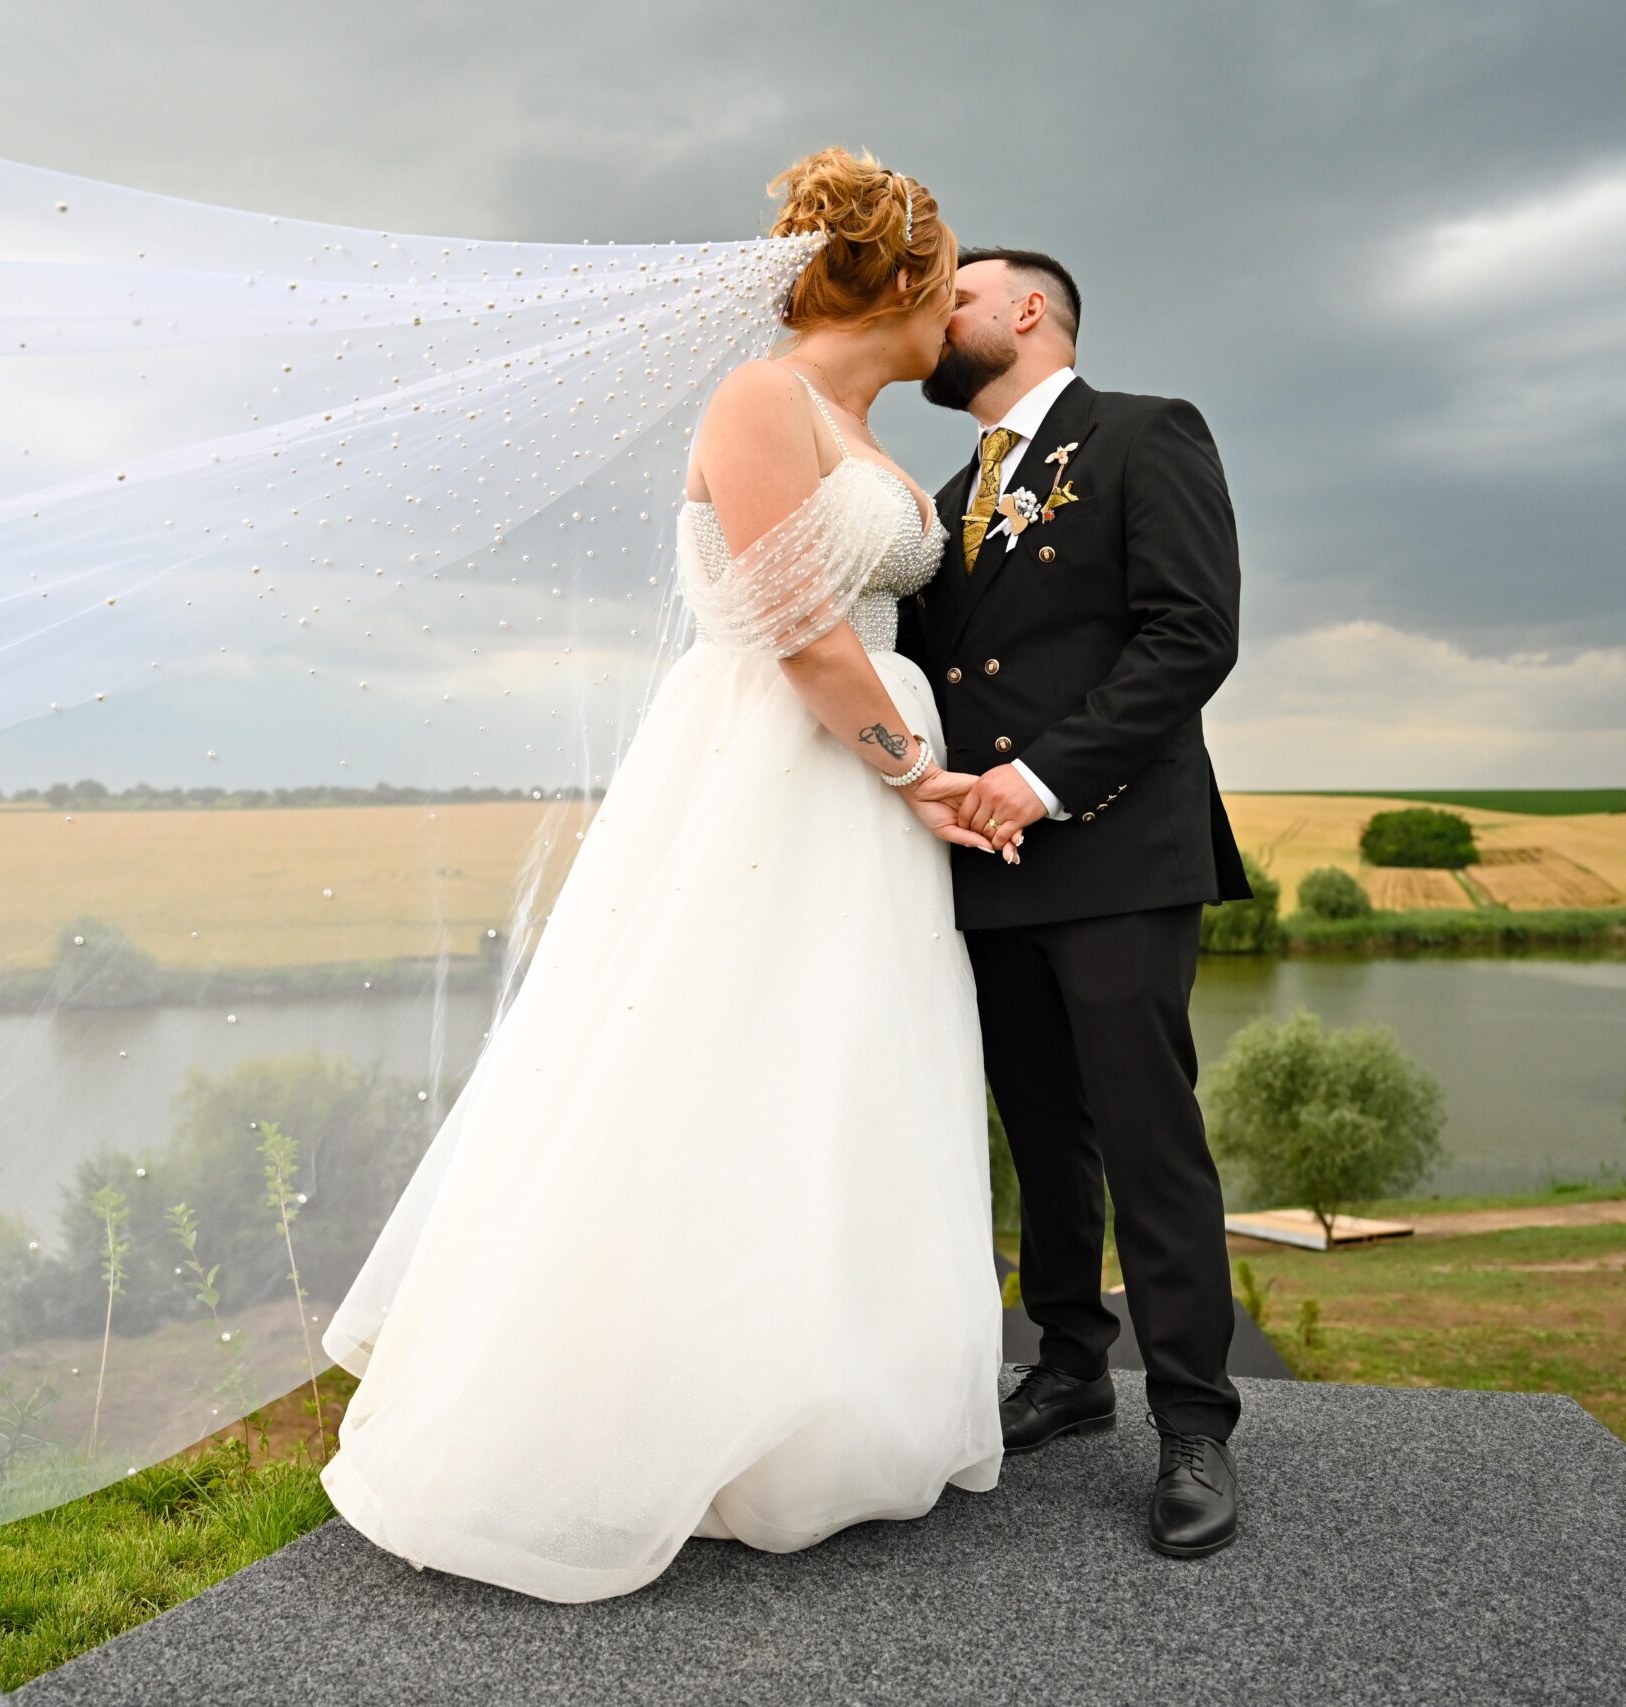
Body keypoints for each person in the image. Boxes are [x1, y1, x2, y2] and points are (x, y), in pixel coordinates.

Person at [318, 149, 1011, 1602]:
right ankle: (629, 1425)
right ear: (902, 280)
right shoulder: (763, 398)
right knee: (708, 1062)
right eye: (950, 282)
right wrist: (914, 771)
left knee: (836, 1069)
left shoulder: (857, 426)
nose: (956, 311)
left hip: (856, 790)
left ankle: (820, 1407)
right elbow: (796, 625)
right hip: (777, 765)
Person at [900, 248, 1256, 1557]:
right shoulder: (950, 498)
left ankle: (1196, 1423)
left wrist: (1042, 778)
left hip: (1114, 849)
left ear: (1028, 309)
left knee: (1149, 1138)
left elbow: (1191, 633)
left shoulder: (1146, 435)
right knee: (1042, 1133)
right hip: (989, 862)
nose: (933, 315)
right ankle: (1068, 1365)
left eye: (955, 297)